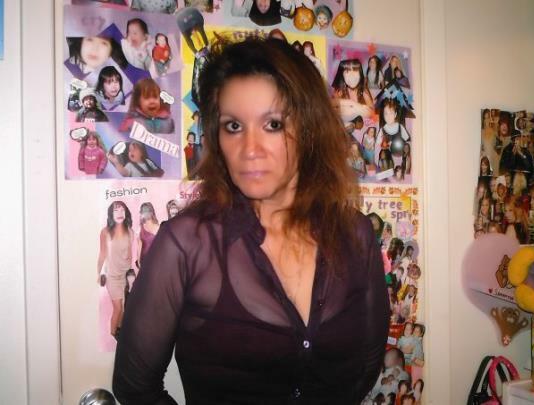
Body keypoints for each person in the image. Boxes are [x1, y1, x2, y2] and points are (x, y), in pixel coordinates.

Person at [113, 37, 390, 404]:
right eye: (233, 126)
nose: (249, 149)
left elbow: (368, 364)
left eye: (273, 124)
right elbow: (134, 387)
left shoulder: (355, 234)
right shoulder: (188, 244)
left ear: (309, 129)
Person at [97, 201, 134, 338]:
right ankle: (114, 334)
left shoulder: (130, 232)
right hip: (112, 276)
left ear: (126, 212)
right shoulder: (105, 232)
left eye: (122, 210)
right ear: (111, 214)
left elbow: (129, 254)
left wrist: (131, 275)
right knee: (118, 308)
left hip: (125, 275)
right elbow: (102, 253)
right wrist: (99, 273)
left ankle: (120, 331)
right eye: (116, 210)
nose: (119, 213)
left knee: (124, 307)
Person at [331, 58, 374, 122]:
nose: (352, 76)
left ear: (360, 74)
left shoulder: (363, 90)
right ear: (342, 75)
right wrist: (351, 104)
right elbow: (331, 106)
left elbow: (371, 112)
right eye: (347, 72)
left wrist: (355, 107)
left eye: (355, 71)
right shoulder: (339, 90)